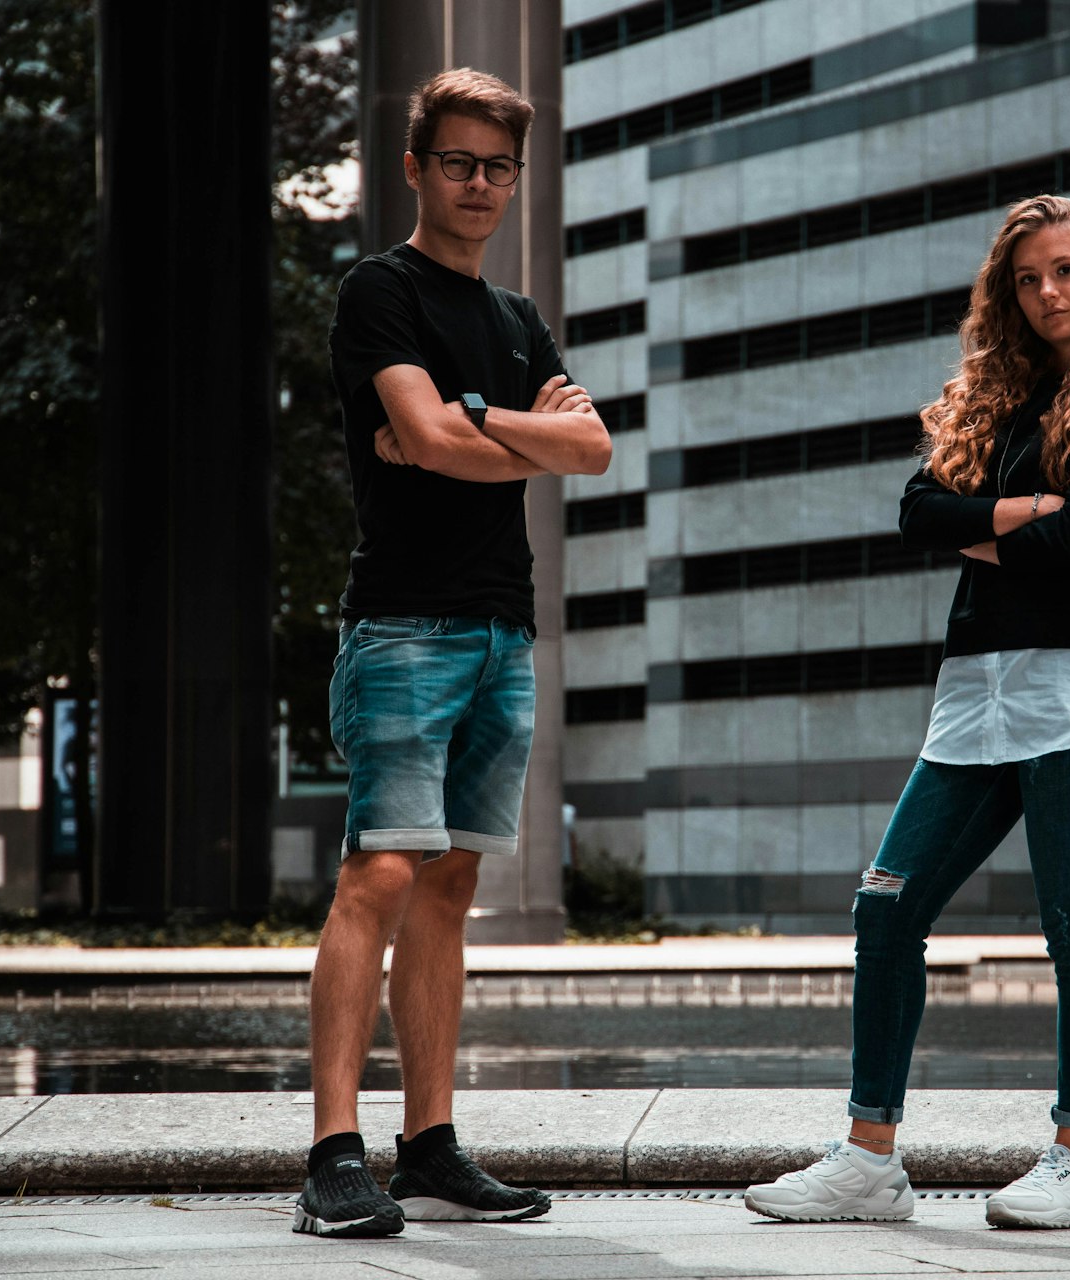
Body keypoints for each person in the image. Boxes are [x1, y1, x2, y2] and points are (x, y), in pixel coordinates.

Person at [744, 194, 1070, 1229]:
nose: (1047, 291)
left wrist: (1000, 526)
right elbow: (919, 510)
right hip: (979, 689)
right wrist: (1035, 514)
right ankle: (868, 1158)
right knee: (886, 903)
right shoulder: (993, 397)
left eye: (1066, 271)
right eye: (1027, 277)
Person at [296, 68, 612, 1239]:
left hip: (501, 628)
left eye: (499, 167)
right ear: (418, 167)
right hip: (404, 624)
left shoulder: (518, 318)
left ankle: (427, 1145)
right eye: (460, 161)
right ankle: (333, 1154)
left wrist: (467, 426)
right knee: (379, 872)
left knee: (452, 886)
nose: (480, 184)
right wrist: (509, 433)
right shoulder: (377, 292)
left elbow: (594, 451)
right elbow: (421, 439)